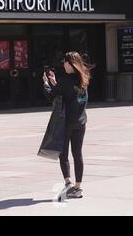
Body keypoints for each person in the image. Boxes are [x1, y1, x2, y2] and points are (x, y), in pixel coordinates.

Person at [42, 52, 93, 199]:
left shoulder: (65, 81)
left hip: (66, 122)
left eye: (64, 62)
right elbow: (68, 92)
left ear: (70, 63)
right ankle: (78, 188)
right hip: (81, 122)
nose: (63, 64)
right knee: (78, 153)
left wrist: (46, 83)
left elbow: (52, 95)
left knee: (63, 154)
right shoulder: (83, 78)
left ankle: (68, 183)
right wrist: (55, 82)